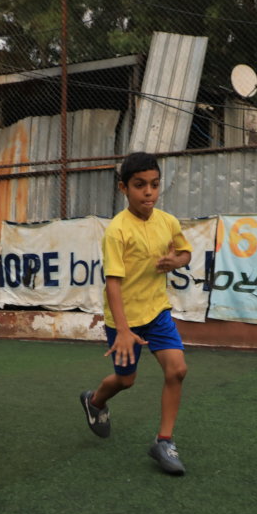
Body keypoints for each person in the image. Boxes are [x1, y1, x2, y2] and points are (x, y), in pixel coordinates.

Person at [79, 152, 193, 476]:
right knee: (126, 380)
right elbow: (112, 284)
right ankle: (95, 401)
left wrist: (176, 261)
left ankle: (164, 441)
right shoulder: (117, 231)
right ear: (123, 188)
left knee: (177, 370)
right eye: (140, 185)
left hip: (157, 312)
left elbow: (185, 252)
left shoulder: (168, 222)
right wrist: (124, 330)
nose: (149, 192)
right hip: (124, 320)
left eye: (154, 185)